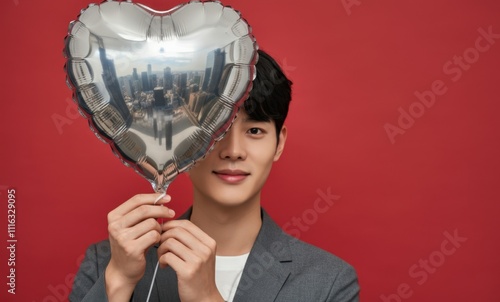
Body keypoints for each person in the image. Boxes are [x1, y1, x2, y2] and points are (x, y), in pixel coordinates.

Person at [69, 50, 360, 302]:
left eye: (254, 131)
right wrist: (119, 280)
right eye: (216, 130)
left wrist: (207, 298)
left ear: (279, 143)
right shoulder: (107, 263)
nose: (233, 151)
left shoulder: (329, 281)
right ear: (180, 142)